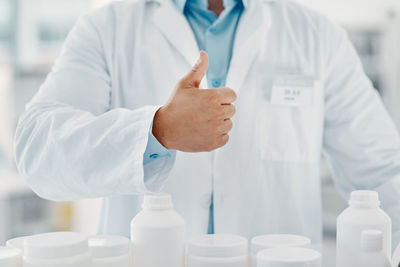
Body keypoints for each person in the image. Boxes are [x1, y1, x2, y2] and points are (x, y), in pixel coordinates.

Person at [14, 0, 400, 249]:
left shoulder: (317, 36)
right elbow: (38, 152)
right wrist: (157, 129)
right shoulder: (106, 28)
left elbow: (384, 174)